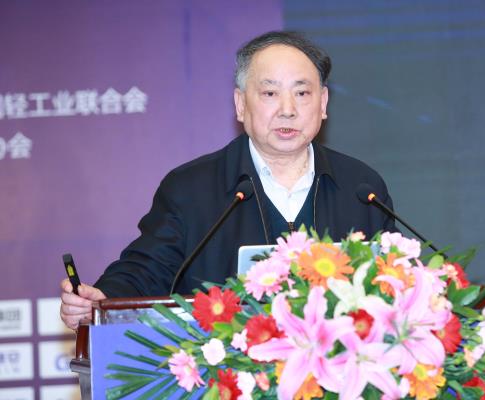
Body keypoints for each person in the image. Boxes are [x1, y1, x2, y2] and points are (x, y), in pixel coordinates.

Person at [60, 31, 396, 330]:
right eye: (270, 93)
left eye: (302, 93)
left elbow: (394, 279)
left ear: (322, 103)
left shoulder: (361, 188)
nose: (288, 109)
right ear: (240, 104)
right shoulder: (190, 188)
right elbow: (146, 270)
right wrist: (102, 298)